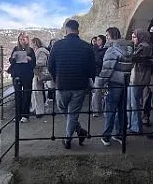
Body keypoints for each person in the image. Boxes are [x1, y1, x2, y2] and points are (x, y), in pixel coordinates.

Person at [48, 20, 93, 149]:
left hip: (62, 84)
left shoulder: (57, 45)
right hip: (79, 85)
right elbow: (91, 69)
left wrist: (57, 78)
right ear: (78, 30)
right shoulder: (86, 46)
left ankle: (68, 140)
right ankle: (79, 131)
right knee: (73, 114)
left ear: (66, 30)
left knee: (62, 109)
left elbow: (50, 66)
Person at [95, 27, 133, 146]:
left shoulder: (111, 49)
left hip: (114, 83)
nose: (106, 38)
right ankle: (120, 134)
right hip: (125, 82)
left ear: (111, 35)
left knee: (110, 110)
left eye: (107, 35)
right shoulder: (129, 47)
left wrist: (99, 84)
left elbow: (107, 69)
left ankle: (106, 136)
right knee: (122, 110)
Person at [127, 28, 153, 134]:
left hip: (138, 77)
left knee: (135, 103)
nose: (133, 39)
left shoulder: (144, 47)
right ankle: (132, 123)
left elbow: (134, 59)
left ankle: (136, 127)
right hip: (136, 77)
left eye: (134, 37)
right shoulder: (142, 46)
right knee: (131, 102)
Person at [8, 32, 36, 123]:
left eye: (24, 39)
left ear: (27, 39)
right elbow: (11, 61)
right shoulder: (15, 49)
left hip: (27, 75)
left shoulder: (31, 50)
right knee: (18, 95)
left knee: (27, 94)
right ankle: (18, 114)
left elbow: (33, 64)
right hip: (17, 75)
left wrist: (29, 59)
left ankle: (25, 115)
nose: (22, 41)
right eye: (20, 39)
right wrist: (14, 57)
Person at [30, 37, 50, 118]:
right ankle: (35, 109)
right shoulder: (39, 51)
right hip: (36, 73)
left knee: (37, 92)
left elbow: (41, 62)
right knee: (35, 92)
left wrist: (31, 63)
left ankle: (39, 111)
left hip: (38, 73)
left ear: (35, 43)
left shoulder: (41, 51)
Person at [91, 35, 107, 117]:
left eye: (99, 40)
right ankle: (96, 110)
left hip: (104, 72)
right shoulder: (94, 49)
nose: (98, 41)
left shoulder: (106, 50)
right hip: (97, 73)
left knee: (104, 92)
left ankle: (104, 109)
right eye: (97, 40)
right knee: (96, 91)